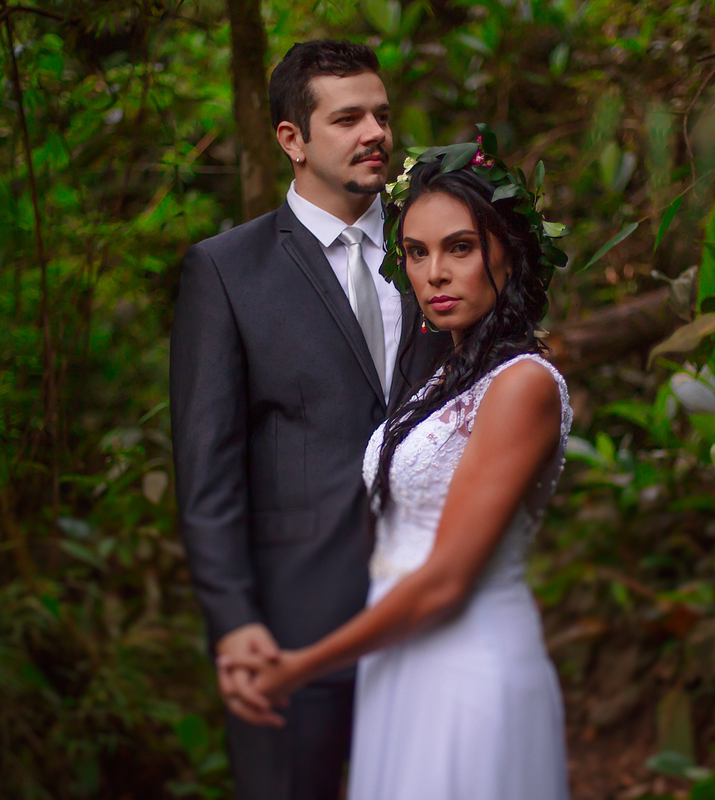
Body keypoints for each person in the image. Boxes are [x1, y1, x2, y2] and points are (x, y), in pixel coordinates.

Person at [223, 137, 573, 799]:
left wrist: (301, 667)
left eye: (460, 248)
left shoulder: (521, 385)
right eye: (416, 252)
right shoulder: (439, 379)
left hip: (468, 671)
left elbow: (443, 582)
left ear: (510, 250)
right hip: (398, 666)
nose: (434, 274)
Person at [169, 40, 450, 800]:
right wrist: (232, 620)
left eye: (383, 116)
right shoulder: (226, 272)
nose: (376, 134)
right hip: (293, 620)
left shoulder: (435, 251)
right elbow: (208, 471)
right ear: (291, 139)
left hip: (430, 611)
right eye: (349, 118)